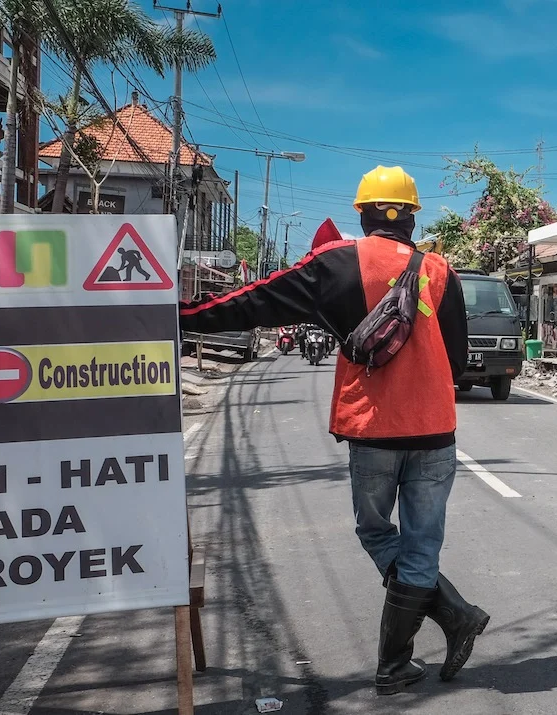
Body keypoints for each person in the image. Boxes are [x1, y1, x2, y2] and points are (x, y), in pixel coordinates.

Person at [179, 165, 489, 695]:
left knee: (375, 532)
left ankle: (440, 627)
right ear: (412, 217)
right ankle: (408, 653)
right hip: (435, 431)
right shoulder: (441, 271)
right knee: (421, 545)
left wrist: (181, 314)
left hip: (372, 431)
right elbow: (458, 360)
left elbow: (254, 302)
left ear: (363, 212)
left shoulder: (335, 263)